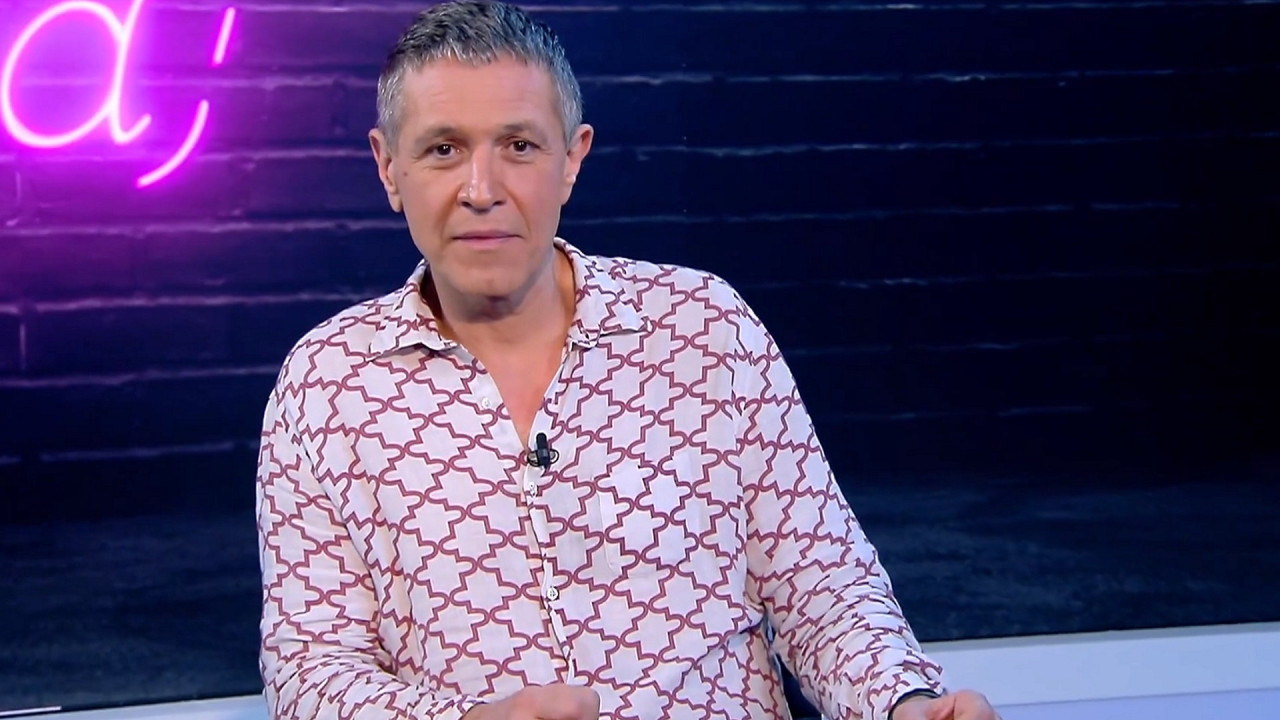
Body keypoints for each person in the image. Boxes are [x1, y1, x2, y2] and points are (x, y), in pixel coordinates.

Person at [255, 2, 1001, 719]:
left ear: (572, 159)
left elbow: (823, 585)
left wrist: (902, 704)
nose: (481, 191)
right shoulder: (327, 385)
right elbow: (312, 670)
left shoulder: (703, 329)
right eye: (444, 149)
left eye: (519, 146)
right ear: (389, 167)